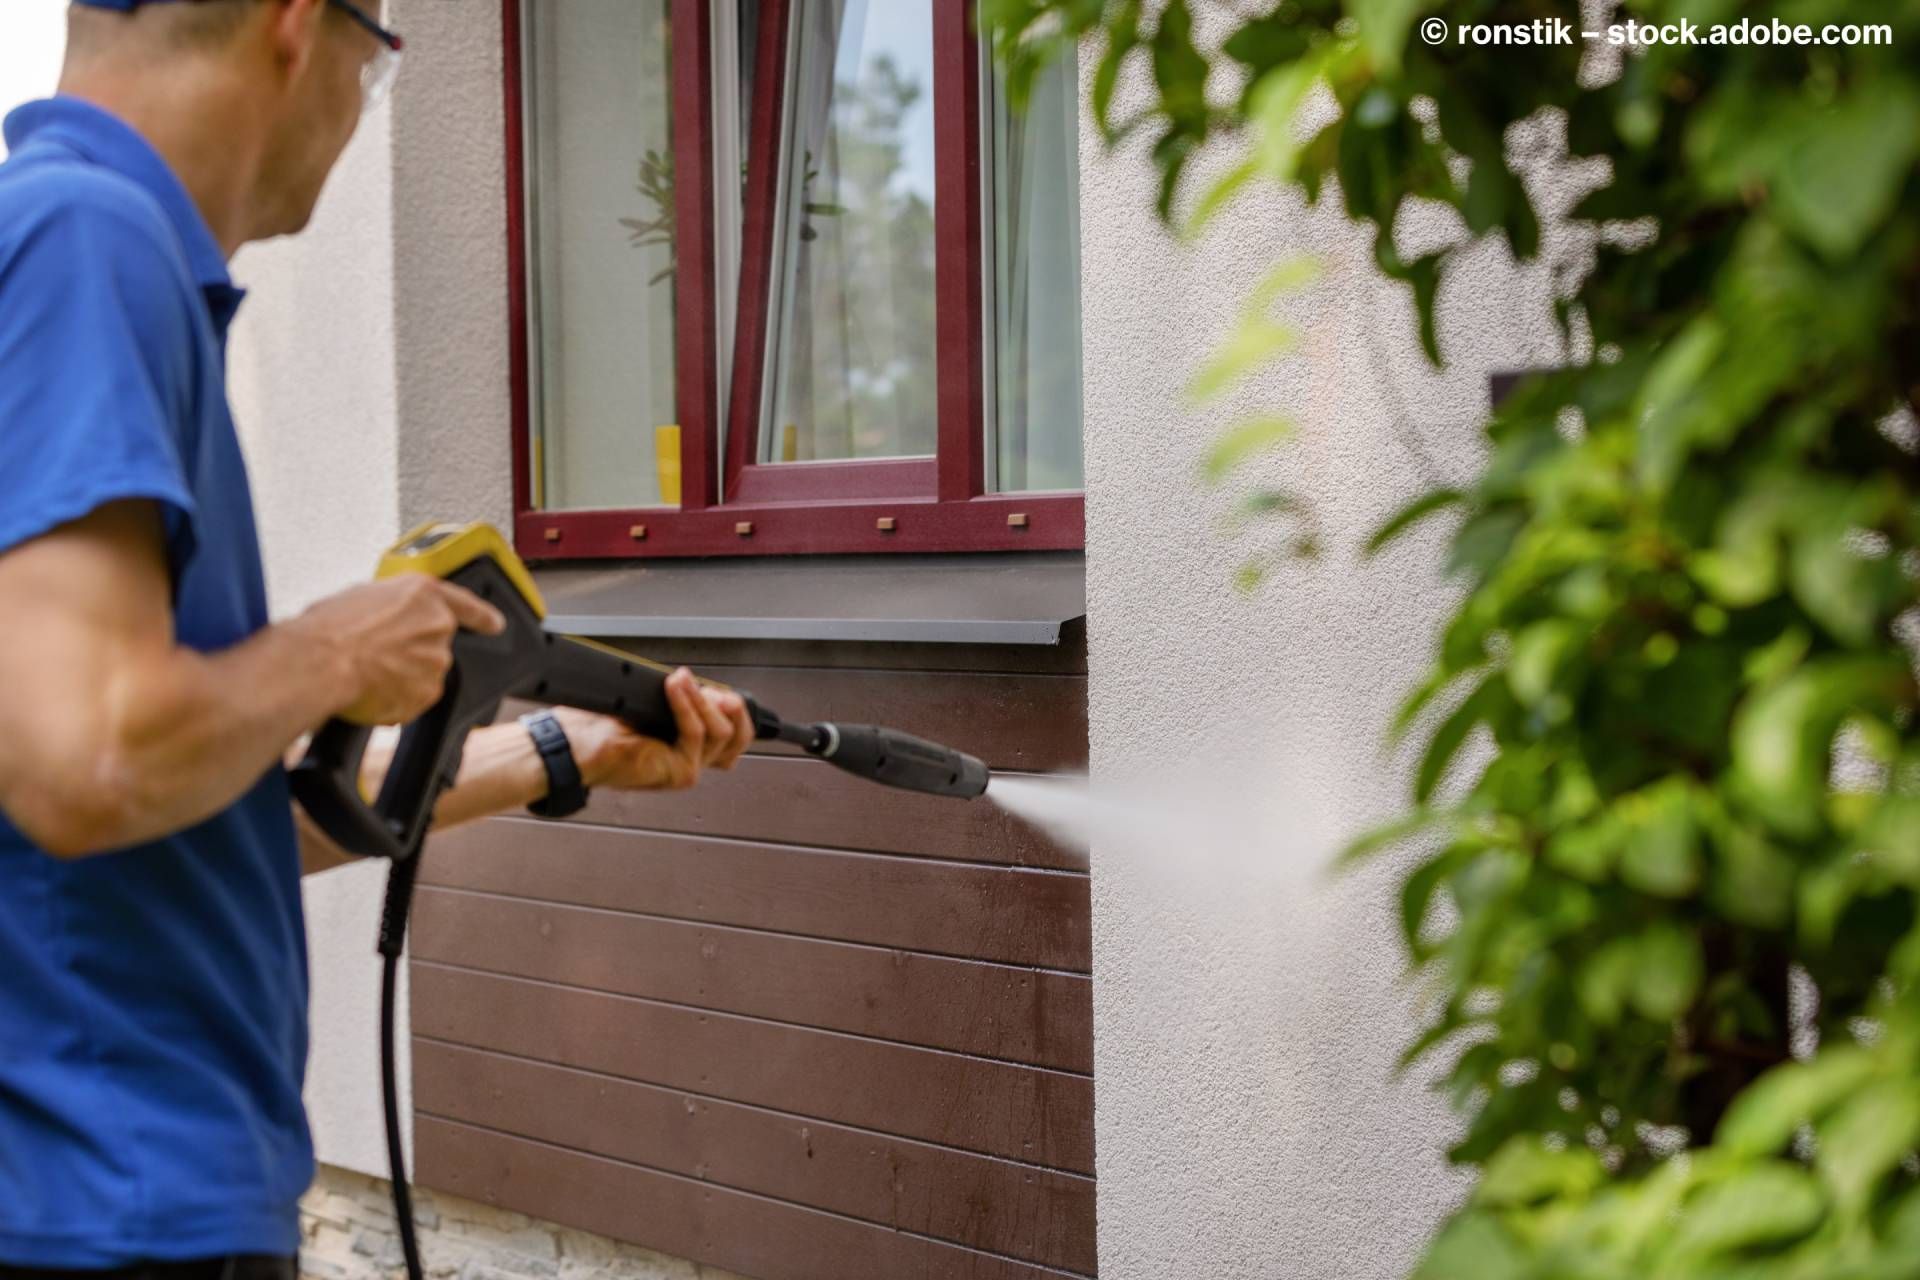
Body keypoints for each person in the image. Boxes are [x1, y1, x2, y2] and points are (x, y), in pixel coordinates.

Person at [0, 3, 756, 1275]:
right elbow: (83, 765)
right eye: (378, 63)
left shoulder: (83, 249)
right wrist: (336, 651)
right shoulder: (85, 240)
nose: (361, 109)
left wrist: (554, 751)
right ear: (300, 28)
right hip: (105, 1208)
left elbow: (185, 806)